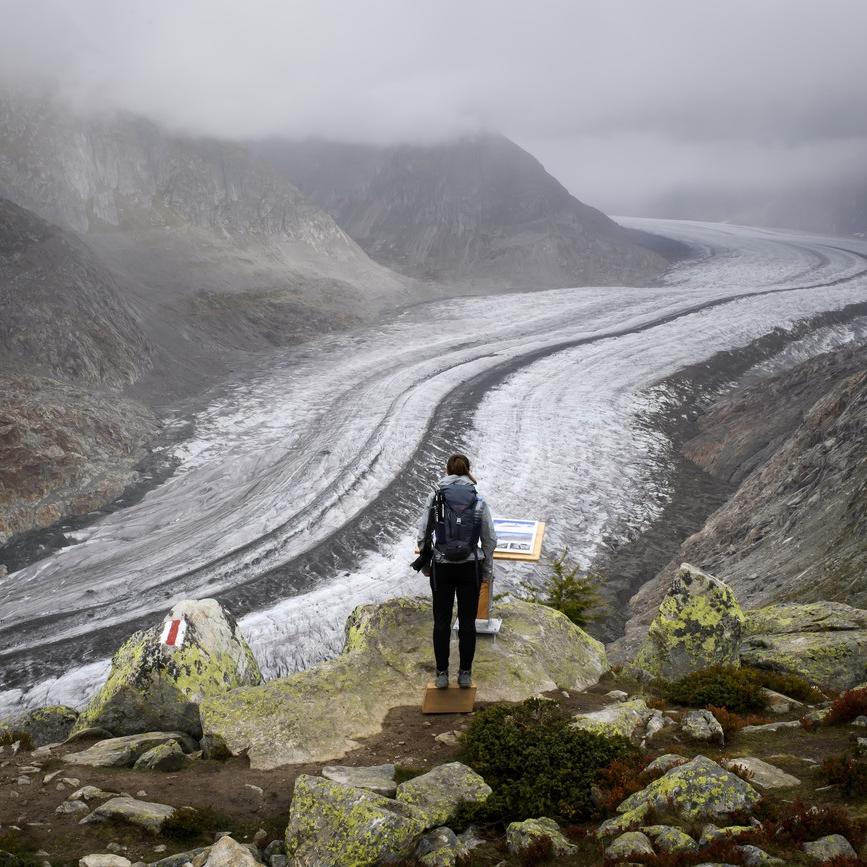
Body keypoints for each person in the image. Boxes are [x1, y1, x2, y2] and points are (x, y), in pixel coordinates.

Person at [415, 453, 497, 689]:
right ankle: (465, 674)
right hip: (469, 567)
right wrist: (486, 571)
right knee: (468, 623)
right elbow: (489, 539)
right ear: (467, 470)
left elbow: (423, 534)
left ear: (447, 471)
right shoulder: (478, 501)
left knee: (441, 622)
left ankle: (441, 674)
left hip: (442, 568)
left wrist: (427, 563)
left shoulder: (436, 497)